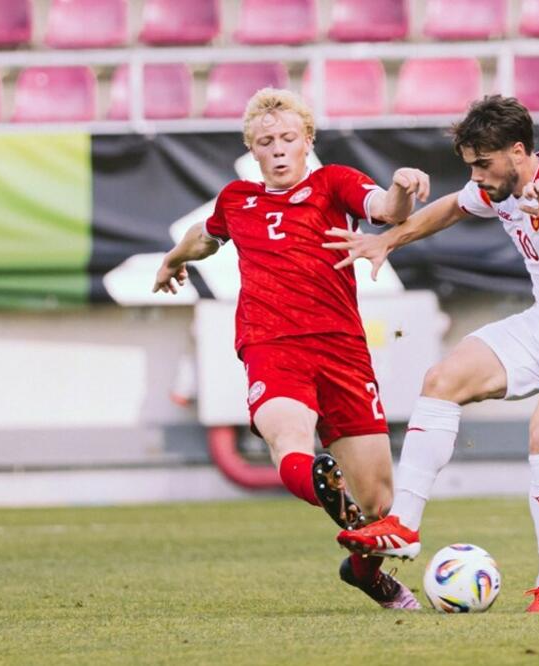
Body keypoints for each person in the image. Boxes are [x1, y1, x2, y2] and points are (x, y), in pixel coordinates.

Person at [329, 95, 539, 614]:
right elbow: (452, 206)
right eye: (470, 164)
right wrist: (389, 241)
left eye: (482, 163)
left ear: (517, 151)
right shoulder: (497, 187)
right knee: (441, 380)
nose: (475, 175)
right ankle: (403, 526)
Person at [153, 88, 429, 611]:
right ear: (251, 149)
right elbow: (204, 236)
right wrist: (173, 259)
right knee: (289, 436)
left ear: (307, 141)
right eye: (265, 142)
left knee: (379, 502)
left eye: (287, 138)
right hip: (271, 343)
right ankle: (326, 490)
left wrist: (401, 188)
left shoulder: (334, 183)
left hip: (342, 349)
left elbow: (385, 210)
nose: (277, 148)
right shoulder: (237, 199)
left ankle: (363, 570)